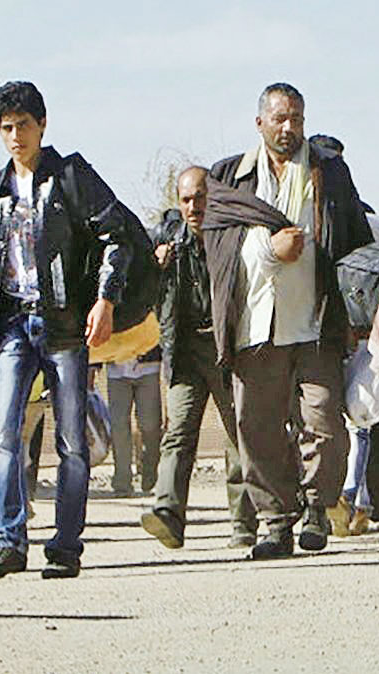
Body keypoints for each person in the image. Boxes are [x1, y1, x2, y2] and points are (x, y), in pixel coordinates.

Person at [0, 81, 136, 579]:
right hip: (13, 322)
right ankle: (9, 541)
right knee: (3, 431)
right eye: (7, 128)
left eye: (24, 126)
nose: (16, 137)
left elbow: (115, 236)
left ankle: (66, 545)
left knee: (71, 439)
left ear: (42, 124)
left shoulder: (71, 176)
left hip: (65, 324)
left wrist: (105, 300)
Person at [205, 83, 371, 559]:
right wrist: (268, 250)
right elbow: (217, 247)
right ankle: (275, 522)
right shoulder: (231, 178)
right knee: (256, 429)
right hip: (254, 327)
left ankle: (317, 507)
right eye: (280, 118)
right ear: (260, 123)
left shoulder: (328, 172)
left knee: (325, 424)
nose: (289, 128)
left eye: (296, 118)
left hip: (315, 324)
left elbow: (353, 239)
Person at [140, 167, 258, 549]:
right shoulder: (167, 239)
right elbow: (136, 283)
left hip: (228, 350)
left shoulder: (232, 236)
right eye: (187, 200)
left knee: (238, 435)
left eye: (201, 197)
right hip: (185, 351)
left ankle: (244, 523)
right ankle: (167, 513)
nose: (194, 207)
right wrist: (153, 266)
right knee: (178, 432)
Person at [105, 347, 162, 496]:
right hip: (116, 368)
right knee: (118, 426)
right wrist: (93, 365)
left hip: (149, 367)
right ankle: (122, 482)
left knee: (150, 424)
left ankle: (150, 474)